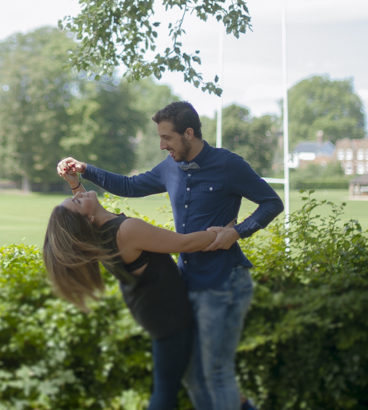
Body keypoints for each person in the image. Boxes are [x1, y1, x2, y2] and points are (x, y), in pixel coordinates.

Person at [58, 101, 284, 410]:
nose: (163, 145)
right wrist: (85, 169)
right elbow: (128, 185)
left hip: (223, 282)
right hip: (188, 282)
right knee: (192, 375)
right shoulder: (169, 167)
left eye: (167, 138)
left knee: (215, 374)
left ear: (189, 133)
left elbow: (272, 203)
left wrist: (238, 231)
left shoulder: (230, 165)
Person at [44, 181, 226, 410]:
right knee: (166, 390)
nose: (79, 195)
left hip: (150, 310)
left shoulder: (99, 234)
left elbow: (82, 207)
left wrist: (75, 185)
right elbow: (186, 243)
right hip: (169, 317)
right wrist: (224, 233)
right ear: (88, 219)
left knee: (179, 380)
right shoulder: (127, 231)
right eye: (77, 200)